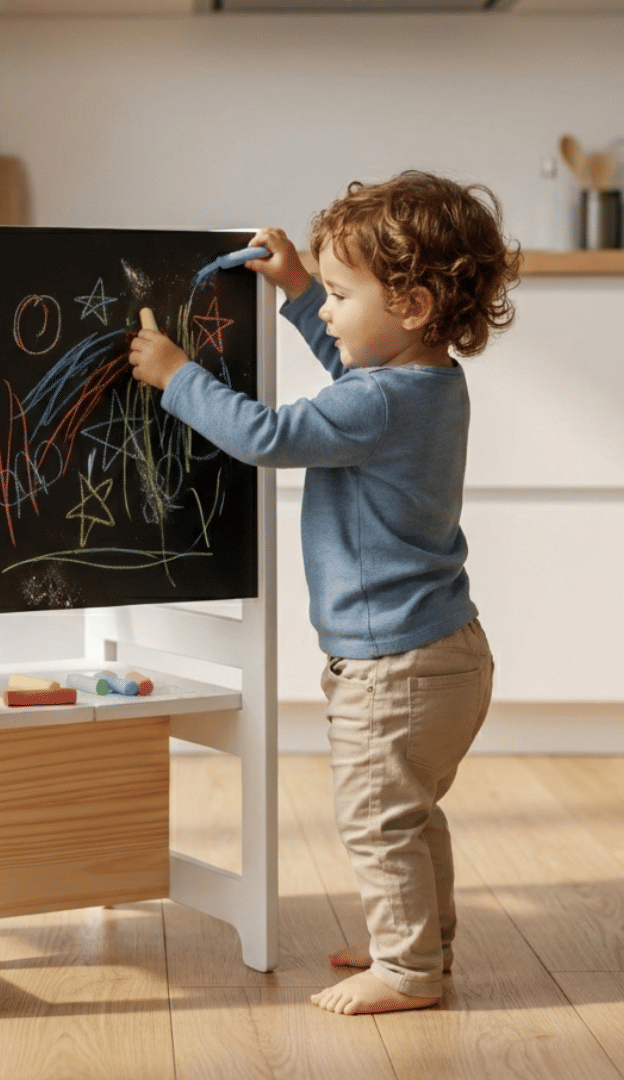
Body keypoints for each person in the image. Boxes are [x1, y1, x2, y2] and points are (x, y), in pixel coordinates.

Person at [129, 171, 520, 1015]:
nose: (330, 315)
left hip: (395, 667)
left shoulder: (376, 401)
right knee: (411, 814)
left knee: (380, 822)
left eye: (342, 295)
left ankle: (409, 971)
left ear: (411, 305)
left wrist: (176, 377)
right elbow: (352, 357)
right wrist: (303, 288)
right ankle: (418, 945)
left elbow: (266, 435)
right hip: (446, 653)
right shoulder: (426, 383)